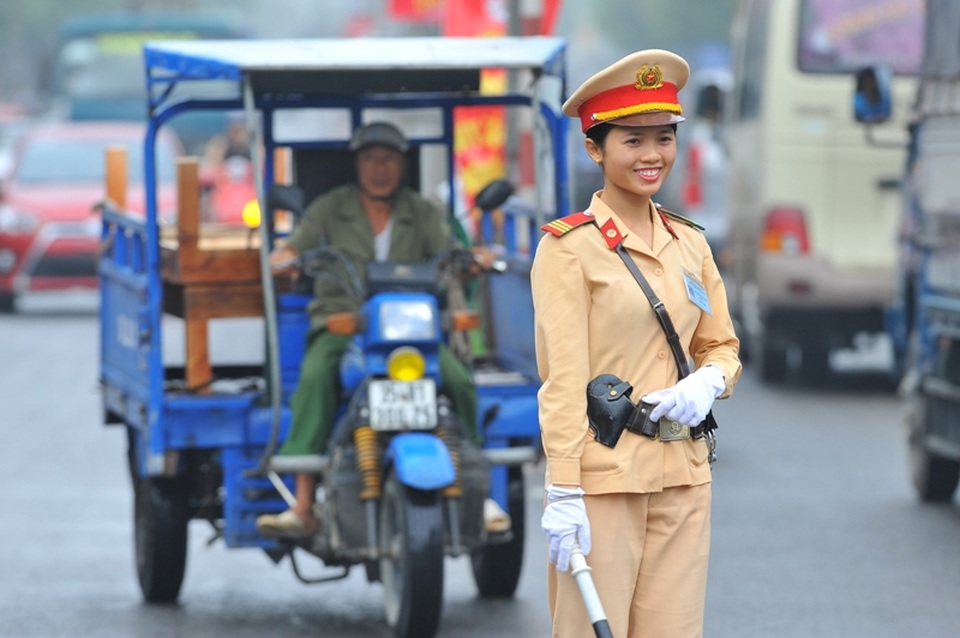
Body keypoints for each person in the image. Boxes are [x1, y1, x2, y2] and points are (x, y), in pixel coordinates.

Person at [531, 50, 741, 637]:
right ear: (594, 149)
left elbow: (722, 346)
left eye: (664, 137)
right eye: (633, 140)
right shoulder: (568, 249)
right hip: (603, 482)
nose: (653, 155)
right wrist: (563, 488)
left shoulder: (690, 243)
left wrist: (709, 381)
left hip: (684, 477)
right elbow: (563, 380)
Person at [256, 121, 509, 537]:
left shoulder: (422, 212)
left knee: (459, 381)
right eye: (371, 159)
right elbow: (291, 249)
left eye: (389, 159)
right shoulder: (329, 208)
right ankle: (302, 506)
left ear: (402, 165)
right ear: (357, 163)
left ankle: (479, 493)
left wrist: (472, 259)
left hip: (413, 330)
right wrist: (283, 259)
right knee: (314, 378)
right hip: (344, 325)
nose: (380, 168)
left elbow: (451, 254)